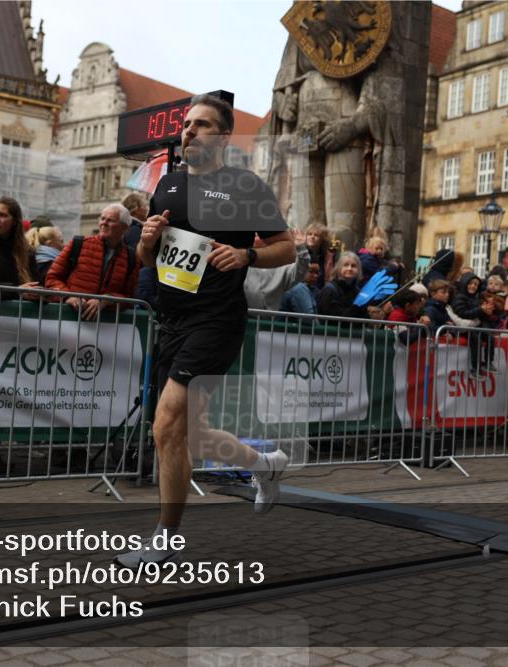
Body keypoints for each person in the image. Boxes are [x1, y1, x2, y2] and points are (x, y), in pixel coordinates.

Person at [115, 94, 296, 568]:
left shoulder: (244, 186)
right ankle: (265, 465)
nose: (188, 131)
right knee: (190, 436)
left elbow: (287, 247)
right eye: (186, 125)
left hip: (216, 321)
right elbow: (147, 261)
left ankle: (165, 540)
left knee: (166, 424)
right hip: (171, 320)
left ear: (221, 136)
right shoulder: (169, 187)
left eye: (200, 125)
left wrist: (246, 255)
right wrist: (148, 244)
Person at [45, 204, 139, 319]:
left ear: (125, 227)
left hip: (106, 327)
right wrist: (68, 296)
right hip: (68, 320)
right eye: (102, 218)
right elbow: (52, 278)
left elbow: (129, 297)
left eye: (110, 220)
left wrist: (107, 300)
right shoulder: (78, 244)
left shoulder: (131, 257)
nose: (104, 223)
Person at [244, 227, 310, 311]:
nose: (252, 237)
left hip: (269, 320)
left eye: (257, 235)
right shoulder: (242, 259)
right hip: (242, 319)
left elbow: (301, 270)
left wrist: (301, 248)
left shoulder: (283, 266)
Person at [316, 251, 365, 318]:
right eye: (346, 265)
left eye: (353, 266)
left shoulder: (358, 292)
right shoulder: (329, 290)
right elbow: (334, 317)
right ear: (338, 268)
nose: (349, 268)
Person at [304, 222, 340, 291]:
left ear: (322, 239)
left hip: (322, 291)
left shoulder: (329, 256)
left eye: (316, 235)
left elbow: (330, 278)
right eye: (310, 234)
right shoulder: (301, 254)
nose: (312, 237)